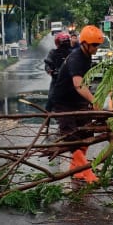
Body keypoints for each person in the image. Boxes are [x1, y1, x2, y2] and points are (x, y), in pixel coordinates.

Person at [48, 24, 105, 183]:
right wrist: (94, 100)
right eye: (94, 45)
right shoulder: (76, 58)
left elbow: (86, 84)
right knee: (72, 139)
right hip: (63, 102)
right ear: (85, 43)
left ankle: (76, 170)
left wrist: (93, 100)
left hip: (78, 100)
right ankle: (88, 174)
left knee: (86, 135)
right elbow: (78, 84)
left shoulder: (87, 56)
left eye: (98, 45)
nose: (96, 48)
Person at [44, 31, 73, 108]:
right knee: (51, 99)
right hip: (57, 80)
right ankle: (47, 115)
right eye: (64, 42)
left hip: (72, 80)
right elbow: (48, 63)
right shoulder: (53, 53)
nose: (66, 44)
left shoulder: (74, 53)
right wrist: (51, 71)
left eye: (67, 41)